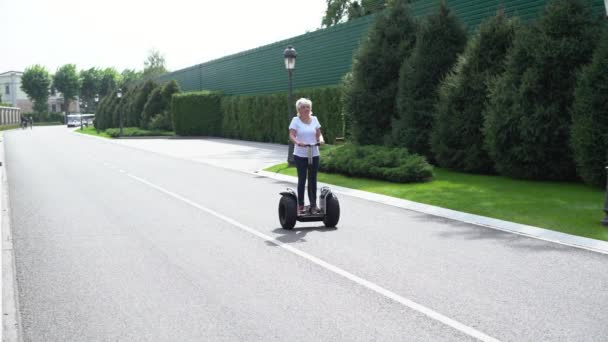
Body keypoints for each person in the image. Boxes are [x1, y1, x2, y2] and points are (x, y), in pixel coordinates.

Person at [289, 98, 325, 215]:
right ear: (299, 109)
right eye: (303, 107)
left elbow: (319, 134)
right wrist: (298, 142)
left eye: (307, 107)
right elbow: (292, 135)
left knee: (313, 179)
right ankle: (300, 204)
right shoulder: (295, 120)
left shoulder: (314, 119)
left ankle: (313, 205)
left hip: (314, 153)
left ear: (310, 108)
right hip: (300, 154)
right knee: (302, 179)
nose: (306, 109)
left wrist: (321, 140)